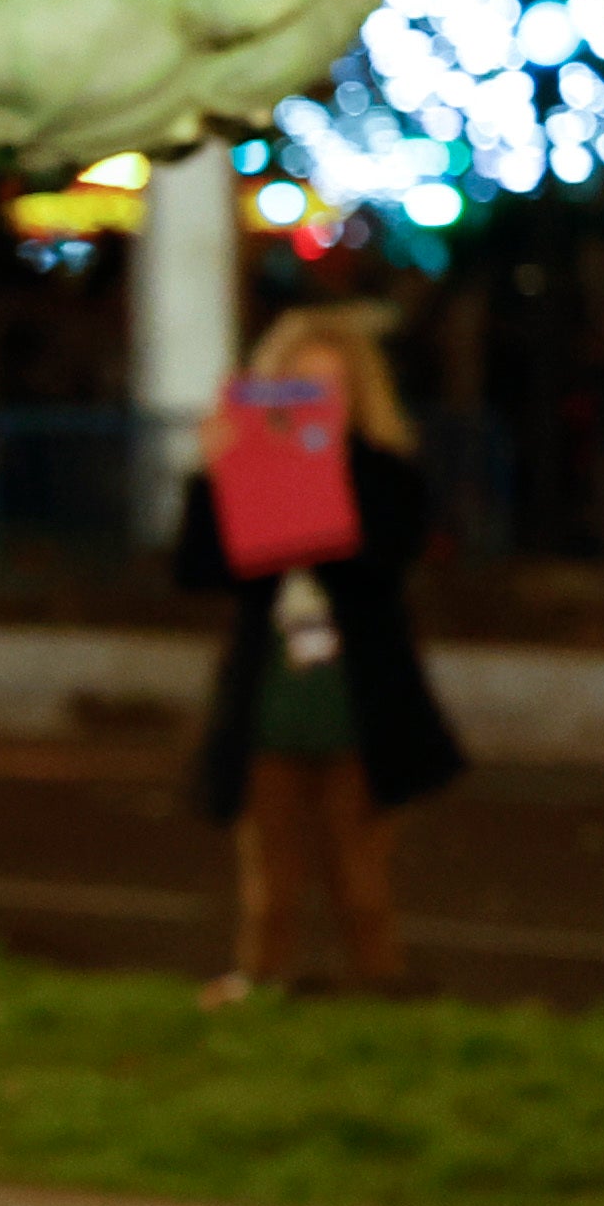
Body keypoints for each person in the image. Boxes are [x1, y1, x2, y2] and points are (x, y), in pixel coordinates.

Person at [180, 300, 461, 1005]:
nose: (315, 402)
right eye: (299, 385)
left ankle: (381, 1004)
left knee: (361, 882)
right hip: (271, 702)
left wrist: (307, 482)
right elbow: (200, 570)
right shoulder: (248, 468)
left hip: (359, 705)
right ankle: (263, 999)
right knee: (270, 887)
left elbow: (377, 565)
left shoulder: (385, 474)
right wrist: (217, 477)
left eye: (329, 386)